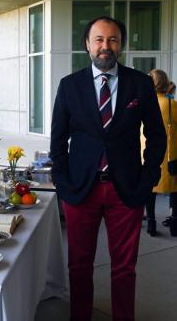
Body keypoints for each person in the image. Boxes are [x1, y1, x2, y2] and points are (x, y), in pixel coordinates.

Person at [50, 16, 167, 321]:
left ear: (121, 45)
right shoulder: (69, 86)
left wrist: (148, 177)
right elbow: (58, 140)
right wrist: (62, 182)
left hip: (126, 189)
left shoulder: (139, 84)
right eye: (99, 39)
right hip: (80, 190)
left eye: (113, 40)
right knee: (78, 265)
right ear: (87, 44)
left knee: (125, 268)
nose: (106, 46)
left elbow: (157, 136)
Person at [145, 69, 177, 236]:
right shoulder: (172, 104)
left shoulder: (144, 103)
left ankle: (151, 223)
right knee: (174, 189)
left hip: (148, 152)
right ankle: (175, 223)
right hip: (170, 155)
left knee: (149, 189)